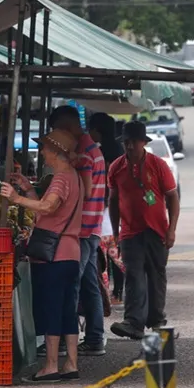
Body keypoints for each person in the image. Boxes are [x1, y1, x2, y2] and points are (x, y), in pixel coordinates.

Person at [0, 128, 84, 381]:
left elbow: (48, 207)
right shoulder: (75, 178)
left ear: (56, 152)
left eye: (45, 148)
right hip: (71, 253)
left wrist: (16, 198)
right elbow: (45, 213)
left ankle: (50, 365)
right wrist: (28, 190)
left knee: (51, 309)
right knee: (67, 309)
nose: (42, 152)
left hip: (54, 256)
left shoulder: (60, 178)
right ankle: (71, 362)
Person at [108, 121, 179, 340]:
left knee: (156, 276)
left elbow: (173, 198)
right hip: (130, 232)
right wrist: (116, 233)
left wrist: (171, 230)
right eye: (126, 143)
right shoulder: (116, 167)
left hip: (157, 231)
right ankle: (134, 323)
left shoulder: (158, 165)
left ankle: (157, 321)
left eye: (133, 142)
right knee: (133, 276)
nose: (129, 147)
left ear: (143, 143)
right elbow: (113, 201)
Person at [48, 105, 107, 356]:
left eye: (57, 130)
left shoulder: (83, 153)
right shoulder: (92, 148)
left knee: (71, 283)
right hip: (92, 227)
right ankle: (94, 338)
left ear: (67, 127)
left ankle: (63, 340)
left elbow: (87, 190)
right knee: (89, 284)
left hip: (81, 229)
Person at [88, 112, 125, 305]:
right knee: (114, 256)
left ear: (97, 130)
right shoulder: (117, 149)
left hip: (107, 212)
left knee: (107, 256)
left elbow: (106, 186)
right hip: (115, 212)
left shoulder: (103, 154)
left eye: (91, 129)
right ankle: (117, 293)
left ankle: (112, 294)